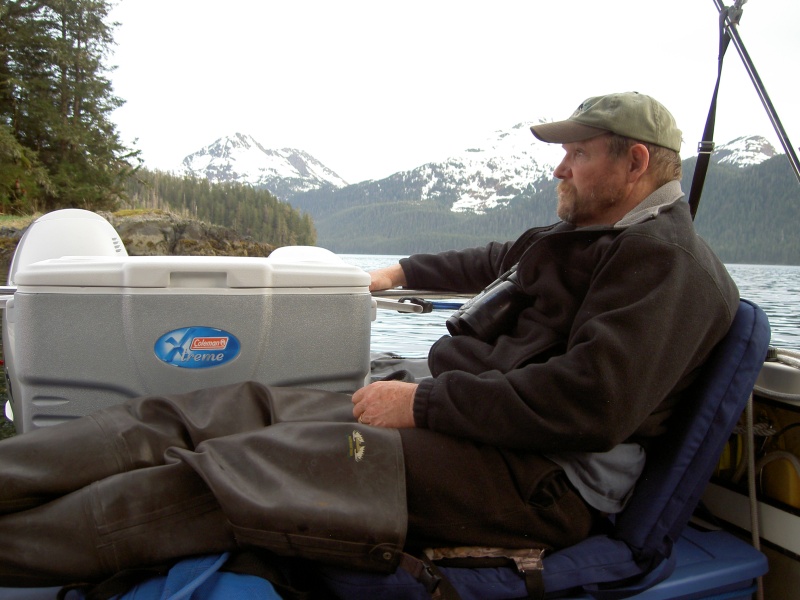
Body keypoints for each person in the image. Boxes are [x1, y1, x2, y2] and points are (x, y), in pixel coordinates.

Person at [0, 92, 739, 590]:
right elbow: (495, 260)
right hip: (473, 426)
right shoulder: (582, 236)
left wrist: (422, 407)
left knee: (244, 472)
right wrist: (398, 272)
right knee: (220, 409)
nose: (560, 167)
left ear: (634, 162)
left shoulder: (667, 264)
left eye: (577, 153)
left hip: (538, 481)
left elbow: (590, 404)